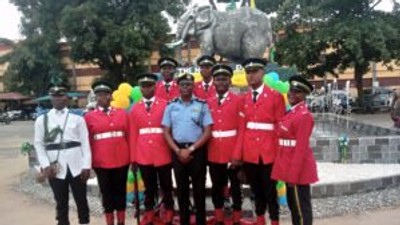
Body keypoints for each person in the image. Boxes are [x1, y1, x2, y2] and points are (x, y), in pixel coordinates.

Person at [34, 81, 91, 225]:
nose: (59, 99)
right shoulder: (42, 120)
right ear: (50, 98)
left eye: (62, 96)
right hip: (55, 167)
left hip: (77, 165)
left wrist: (86, 165)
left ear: (67, 97)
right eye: (55, 96)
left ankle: (84, 222)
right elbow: (39, 145)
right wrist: (45, 165)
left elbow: (85, 143)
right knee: (60, 201)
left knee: (82, 200)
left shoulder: (78, 117)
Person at [239, 58, 286, 225]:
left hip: (269, 152)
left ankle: (274, 221)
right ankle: (260, 219)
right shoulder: (244, 98)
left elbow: (280, 127)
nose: (250, 76)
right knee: (256, 190)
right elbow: (243, 128)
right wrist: (240, 154)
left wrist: (280, 154)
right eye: (248, 72)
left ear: (262, 73)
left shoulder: (275, 96)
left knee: (270, 191)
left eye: (254, 72)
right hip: (251, 152)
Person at [162, 73, 213, 225]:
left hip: (197, 151)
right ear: (178, 87)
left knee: (199, 190)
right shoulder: (171, 106)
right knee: (181, 191)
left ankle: (200, 221)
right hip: (177, 152)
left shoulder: (201, 105)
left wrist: (190, 149)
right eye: (182, 84)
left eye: (188, 84)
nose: (185, 87)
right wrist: (178, 151)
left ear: (193, 86)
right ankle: (184, 221)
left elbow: (208, 131)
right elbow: (166, 131)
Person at [271, 75, 319, 225]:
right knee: (294, 207)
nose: (292, 93)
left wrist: (293, 175)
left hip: (298, 170)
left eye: (297, 91)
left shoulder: (304, 116)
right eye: (291, 90)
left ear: (304, 95)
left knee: (301, 208)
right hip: (288, 164)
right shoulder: (291, 112)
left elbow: (300, 149)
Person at [129, 73, 175, 225]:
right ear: (140, 88)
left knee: (166, 185)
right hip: (143, 154)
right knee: (149, 187)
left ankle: (169, 211)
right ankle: (149, 212)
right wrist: (133, 159)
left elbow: (170, 129)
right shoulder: (135, 109)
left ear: (155, 87)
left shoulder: (165, 105)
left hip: (162, 152)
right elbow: (133, 134)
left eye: (149, 86)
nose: (146, 89)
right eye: (143, 86)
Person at [84, 81, 130, 225]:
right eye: (99, 95)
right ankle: (109, 221)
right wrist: (89, 163)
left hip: (122, 160)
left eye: (105, 95)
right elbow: (87, 141)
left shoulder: (122, 113)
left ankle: (121, 221)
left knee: (121, 192)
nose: (102, 97)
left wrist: (132, 158)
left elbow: (128, 135)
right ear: (96, 98)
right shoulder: (89, 117)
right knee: (106, 193)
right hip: (101, 162)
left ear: (111, 97)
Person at [207, 64, 244, 225]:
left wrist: (238, 154)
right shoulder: (207, 102)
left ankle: (236, 218)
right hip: (214, 152)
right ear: (213, 82)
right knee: (216, 186)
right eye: (217, 79)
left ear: (230, 81)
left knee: (236, 187)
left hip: (232, 151)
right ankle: (219, 217)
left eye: (224, 79)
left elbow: (242, 129)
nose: (221, 82)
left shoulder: (238, 100)